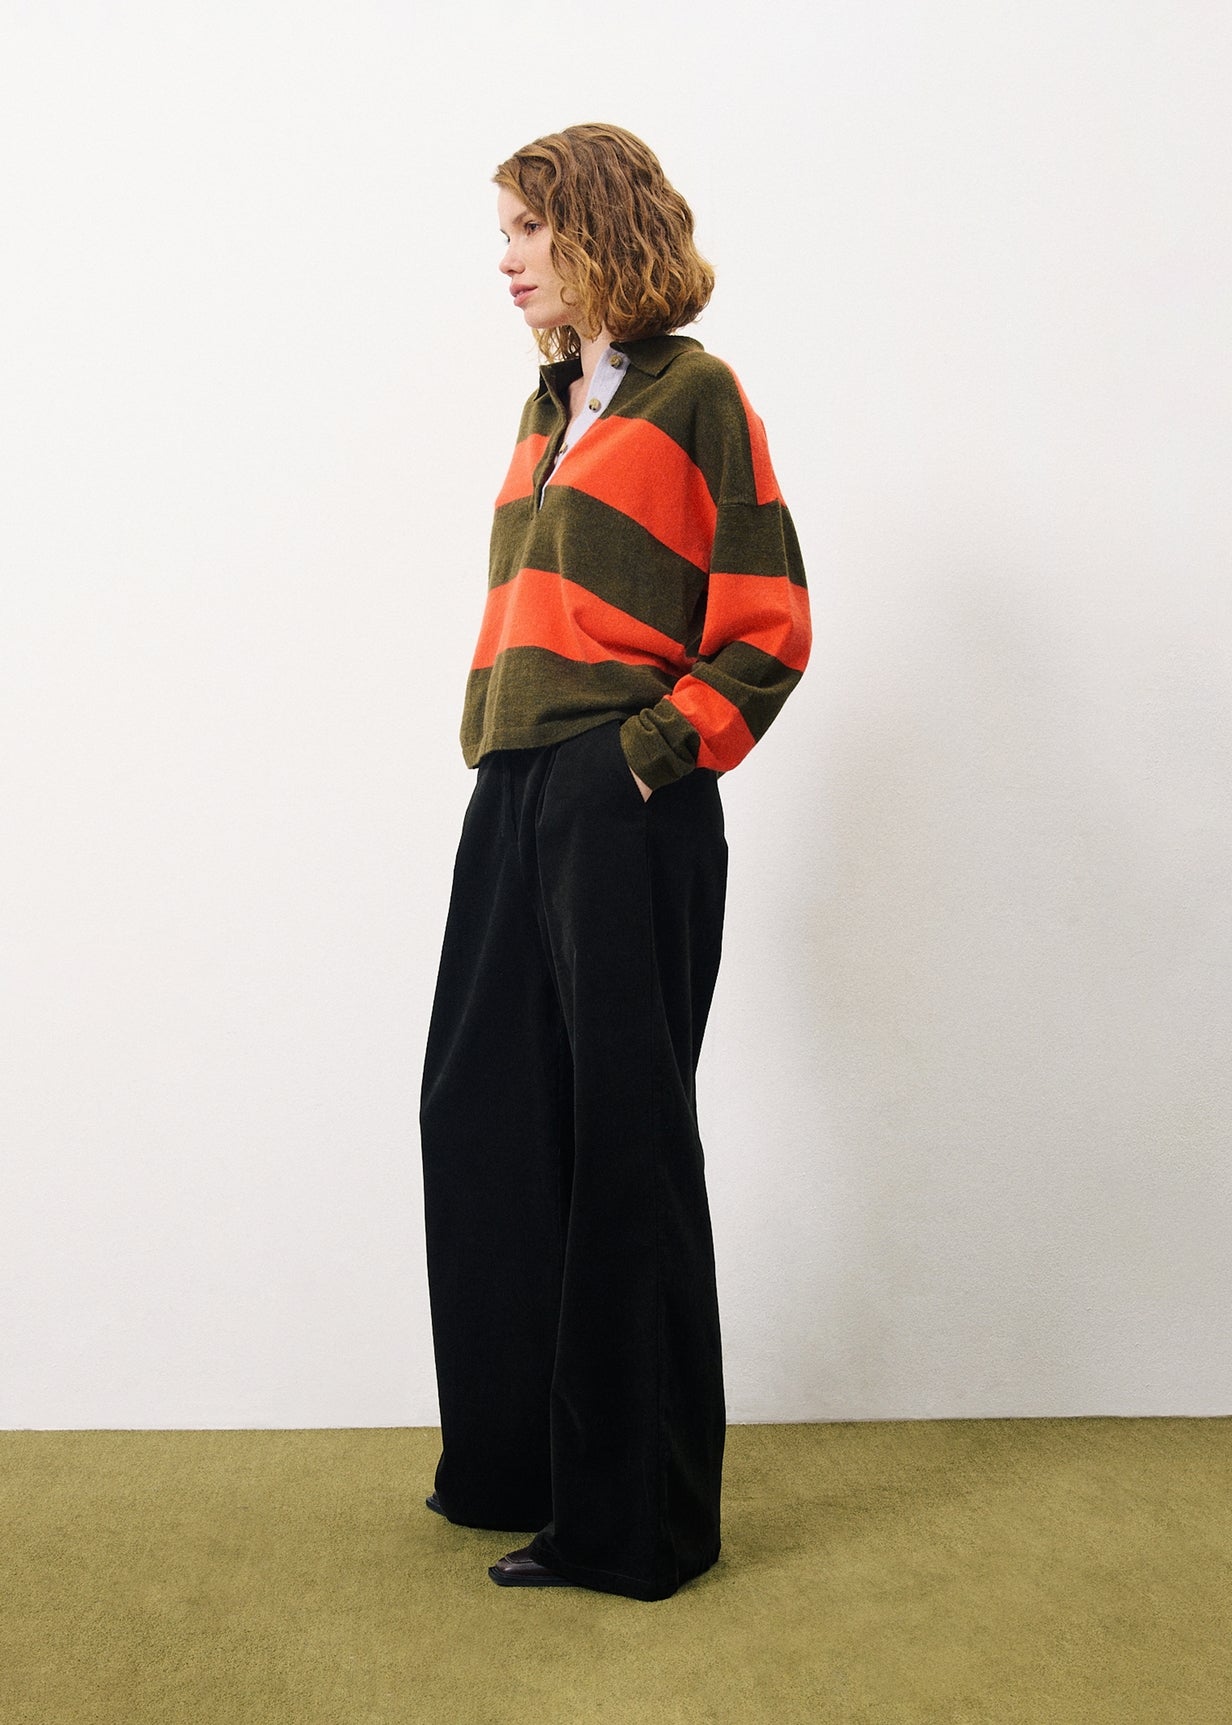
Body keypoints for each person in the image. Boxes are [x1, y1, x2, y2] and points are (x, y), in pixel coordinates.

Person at [419, 122, 810, 1602]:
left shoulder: (698, 397)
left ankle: (633, 1525)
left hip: (624, 798)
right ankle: (516, 1464)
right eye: (505, 232)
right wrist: (512, 759)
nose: (506, 259)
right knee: (483, 1115)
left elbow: (770, 624)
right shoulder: (546, 410)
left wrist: (643, 756)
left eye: (528, 228)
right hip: (515, 789)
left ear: (596, 230)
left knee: (622, 1137)